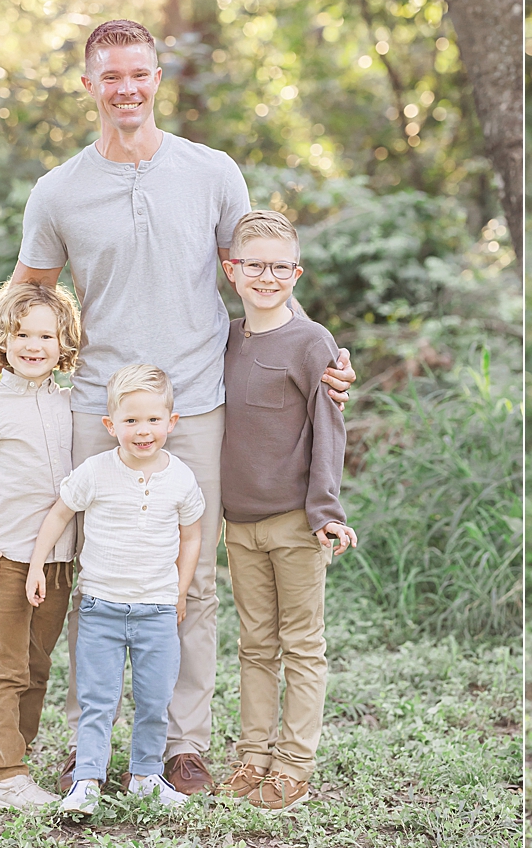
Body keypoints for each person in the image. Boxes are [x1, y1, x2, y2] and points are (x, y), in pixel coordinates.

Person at [0, 18, 355, 794]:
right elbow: (25, 290)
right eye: (110, 76)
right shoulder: (59, 189)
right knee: (89, 574)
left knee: (188, 579)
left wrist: (318, 353)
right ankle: (86, 743)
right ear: (88, 85)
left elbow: (264, 274)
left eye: (139, 74)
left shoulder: (212, 172)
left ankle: (180, 744)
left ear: (158, 78)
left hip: (199, 402)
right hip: (96, 407)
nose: (126, 88)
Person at [211, 210, 357, 810]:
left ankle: (294, 763)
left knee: (302, 645)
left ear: (295, 273)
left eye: (279, 267)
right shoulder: (220, 335)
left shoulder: (311, 341)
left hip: (296, 521)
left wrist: (325, 510)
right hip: (237, 523)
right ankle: (252, 755)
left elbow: (330, 428)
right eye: (254, 266)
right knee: (253, 645)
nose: (266, 277)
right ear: (232, 271)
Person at [27, 364, 204, 815]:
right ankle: (87, 779)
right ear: (111, 426)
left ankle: (145, 775)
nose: (142, 431)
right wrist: (34, 567)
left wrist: (180, 591)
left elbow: (193, 536)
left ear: (171, 422)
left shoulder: (181, 477)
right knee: (97, 699)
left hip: (157, 611)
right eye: (130, 421)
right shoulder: (95, 472)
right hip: (101, 608)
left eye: (152, 420)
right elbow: (58, 515)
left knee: (154, 699)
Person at [0, 280, 83, 810]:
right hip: (5, 556)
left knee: (38, 664)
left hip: (57, 561)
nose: (34, 345)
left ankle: (17, 759)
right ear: (2, 341)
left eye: (47, 336)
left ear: (64, 343)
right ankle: (3, 774)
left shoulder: (74, 404)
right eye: (23, 334)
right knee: (6, 667)